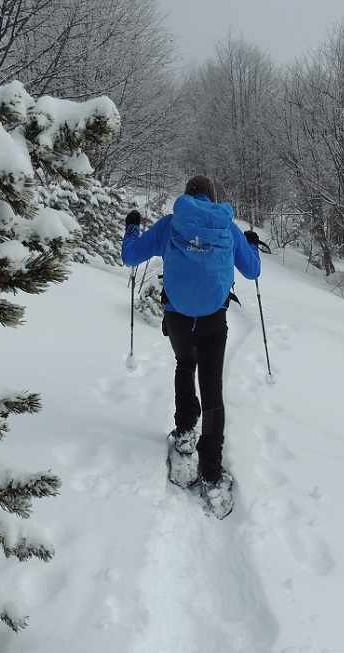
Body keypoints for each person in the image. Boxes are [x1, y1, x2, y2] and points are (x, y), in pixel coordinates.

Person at [122, 175, 262, 519]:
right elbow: (253, 269)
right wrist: (252, 243)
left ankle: (185, 432)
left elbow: (130, 256)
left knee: (185, 363)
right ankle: (212, 473)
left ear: (187, 197)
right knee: (212, 391)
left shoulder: (173, 224)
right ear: (213, 199)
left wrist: (132, 227)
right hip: (214, 319)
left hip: (178, 317)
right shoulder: (227, 229)